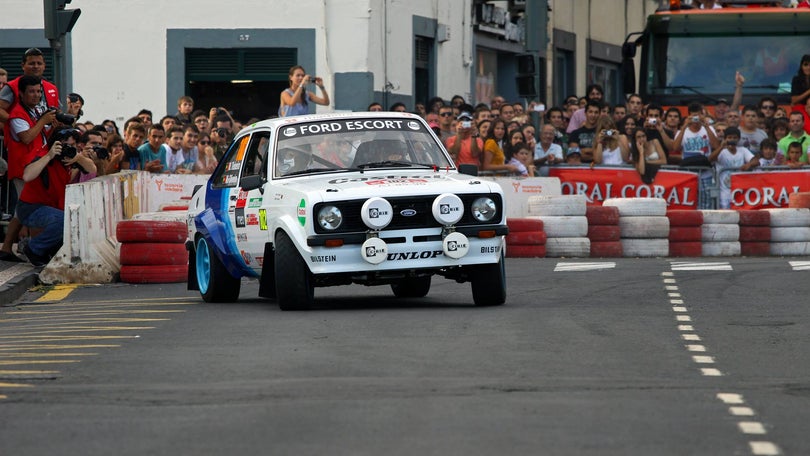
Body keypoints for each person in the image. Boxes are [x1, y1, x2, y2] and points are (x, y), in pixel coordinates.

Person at [17, 128, 96, 266]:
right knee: (65, 220)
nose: (68, 149)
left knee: (74, 220)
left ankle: (48, 251)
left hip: (50, 208)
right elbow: (27, 176)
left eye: (72, 145)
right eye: (65, 145)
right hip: (30, 208)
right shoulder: (43, 155)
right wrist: (49, 155)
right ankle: (33, 249)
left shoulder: (69, 159)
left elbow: (92, 169)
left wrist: (78, 157)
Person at [0, 75, 58, 262]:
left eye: (39, 92)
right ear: (22, 94)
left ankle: (8, 248)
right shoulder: (17, 114)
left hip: (34, 167)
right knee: (31, 207)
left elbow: (40, 136)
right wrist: (43, 121)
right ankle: (35, 249)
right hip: (23, 169)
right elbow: (26, 137)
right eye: (32, 92)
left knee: (20, 210)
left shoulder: (33, 111)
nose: (36, 95)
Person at [673, 102, 720, 209]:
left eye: (698, 115)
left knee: (706, 204)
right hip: (688, 174)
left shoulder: (709, 129)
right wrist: (684, 126)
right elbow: (675, 148)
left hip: (706, 173)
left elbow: (716, 146)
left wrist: (707, 127)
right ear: (689, 116)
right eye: (693, 116)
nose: (696, 119)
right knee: (689, 201)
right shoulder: (683, 131)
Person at [709, 127, 756, 209]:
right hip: (724, 192)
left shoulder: (743, 150)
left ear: (738, 139)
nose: (732, 140)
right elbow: (710, 159)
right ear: (725, 138)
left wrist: (749, 164)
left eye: (735, 138)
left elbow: (756, 161)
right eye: (729, 137)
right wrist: (721, 147)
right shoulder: (721, 152)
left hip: (739, 191)